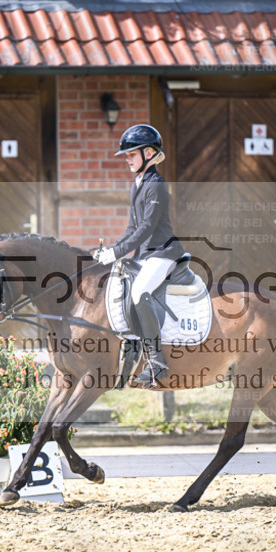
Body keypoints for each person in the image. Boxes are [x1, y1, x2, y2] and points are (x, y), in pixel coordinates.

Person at [94, 124, 187, 388]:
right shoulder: (138, 184)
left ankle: (157, 362)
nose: (127, 159)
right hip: (146, 254)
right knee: (121, 288)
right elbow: (133, 228)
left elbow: (147, 227)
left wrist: (117, 251)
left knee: (139, 293)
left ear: (148, 153)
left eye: (131, 154)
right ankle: (133, 347)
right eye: (126, 155)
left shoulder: (156, 185)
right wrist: (112, 250)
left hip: (163, 253)